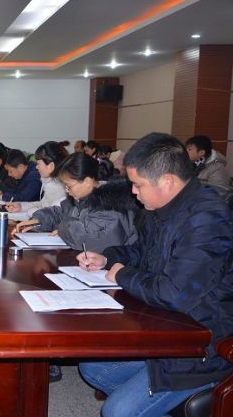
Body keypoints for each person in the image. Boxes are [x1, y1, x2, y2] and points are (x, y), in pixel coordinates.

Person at [77, 132, 233, 417]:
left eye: (138, 185)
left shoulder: (207, 219)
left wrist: (122, 275)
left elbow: (174, 294)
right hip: (165, 330)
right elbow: (143, 252)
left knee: (116, 412)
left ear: (167, 182)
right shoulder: (160, 207)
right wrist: (108, 259)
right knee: (92, 368)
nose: (133, 192)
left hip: (200, 345)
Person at [13, 152, 138, 252]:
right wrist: (40, 219)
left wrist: (62, 228)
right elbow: (60, 212)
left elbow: (88, 238)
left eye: (69, 186)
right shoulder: (80, 199)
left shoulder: (111, 204)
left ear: (87, 182)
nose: (67, 191)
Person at [6, 141, 67, 217]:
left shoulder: (59, 188)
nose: (36, 167)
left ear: (51, 166)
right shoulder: (50, 182)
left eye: (38, 164)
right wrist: (21, 206)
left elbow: (49, 216)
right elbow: (42, 204)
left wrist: (31, 211)